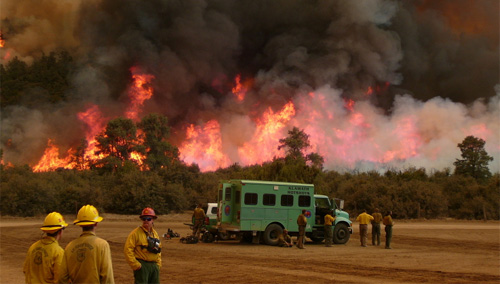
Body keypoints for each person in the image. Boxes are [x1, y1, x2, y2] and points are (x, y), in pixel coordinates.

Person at [59, 205, 114, 284]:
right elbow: (107, 277)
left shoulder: (70, 246)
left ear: (80, 224)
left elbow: (62, 278)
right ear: (96, 223)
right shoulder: (102, 245)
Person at [23, 212, 68, 284]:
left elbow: (25, 270)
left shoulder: (32, 247)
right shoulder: (58, 252)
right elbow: (60, 279)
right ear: (60, 231)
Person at [124, 207, 162, 284]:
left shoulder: (155, 234)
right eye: (144, 219)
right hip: (142, 266)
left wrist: (158, 265)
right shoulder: (135, 233)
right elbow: (128, 250)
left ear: (153, 220)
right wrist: (136, 265)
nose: (146, 221)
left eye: (148, 219)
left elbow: (158, 250)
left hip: (154, 266)